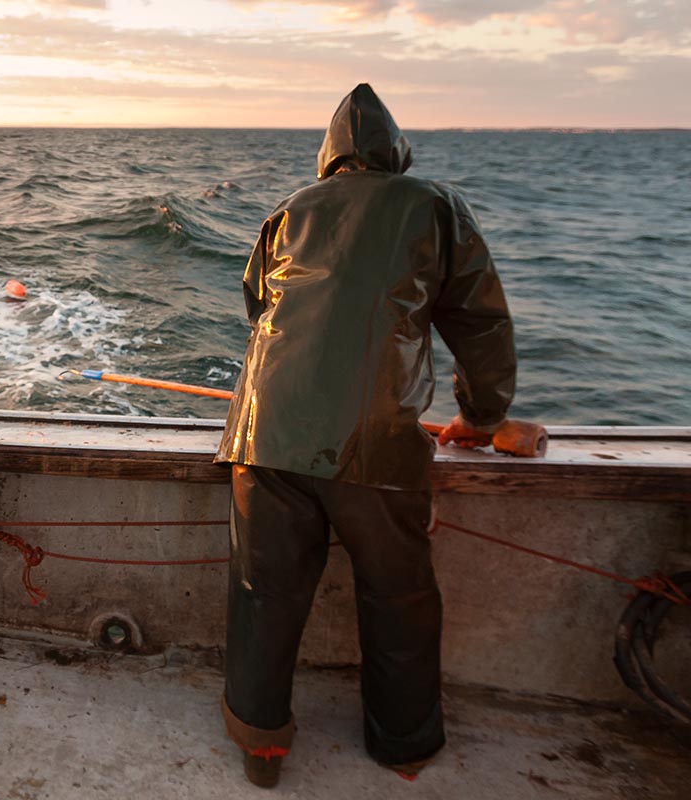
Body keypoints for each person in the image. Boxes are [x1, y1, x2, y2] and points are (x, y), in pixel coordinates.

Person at [215, 83, 516, 788]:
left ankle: (261, 745)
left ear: (328, 155)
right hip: (375, 446)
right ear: (395, 151)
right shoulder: (434, 205)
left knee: (264, 593)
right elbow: (480, 322)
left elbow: (258, 304)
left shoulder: (287, 211)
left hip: (263, 435)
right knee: (398, 598)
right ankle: (403, 747)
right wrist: (481, 415)